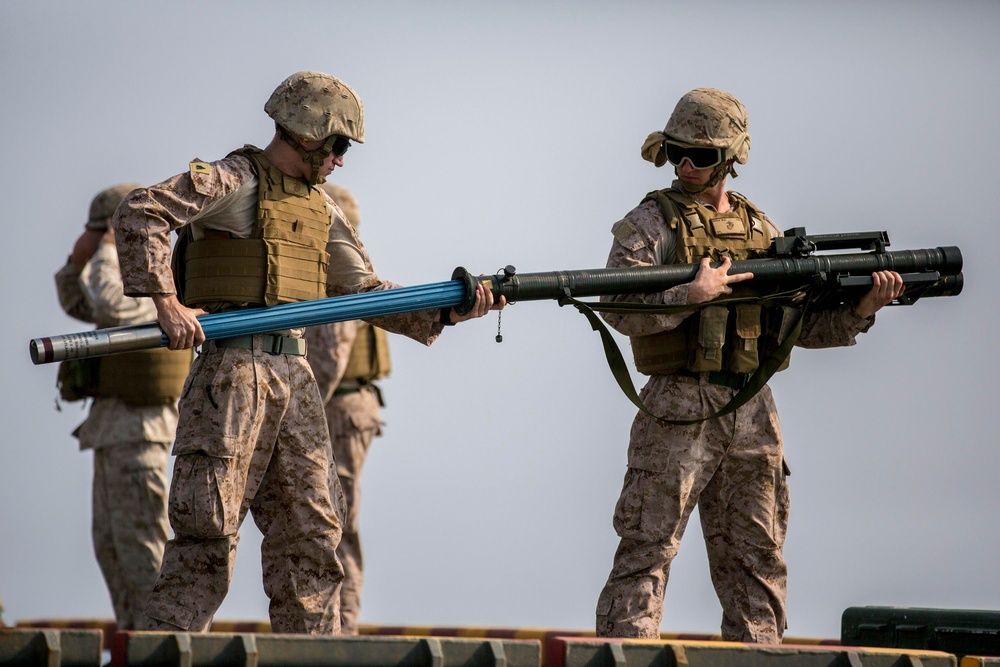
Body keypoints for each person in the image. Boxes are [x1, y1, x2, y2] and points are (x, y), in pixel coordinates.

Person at [113, 70, 502, 635]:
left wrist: (449, 310)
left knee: (314, 542)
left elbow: (365, 293)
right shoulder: (235, 179)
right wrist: (166, 301)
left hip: (294, 377)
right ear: (307, 133)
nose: (342, 160)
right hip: (232, 374)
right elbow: (142, 211)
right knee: (206, 541)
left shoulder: (322, 209)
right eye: (339, 145)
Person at [593, 88, 904, 644]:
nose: (686, 166)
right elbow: (618, 307)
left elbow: (797, 328)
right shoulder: (649, 224)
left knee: (758, 563)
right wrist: (690, 296)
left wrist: (862, 309)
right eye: (676, 152)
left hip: (752, 411)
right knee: (648, 550)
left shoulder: (761, 229)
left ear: (731, 159)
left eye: (702, 156)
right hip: (680, 407)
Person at [54, 184, 192, 630]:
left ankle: (161, 645)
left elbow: (111, 305)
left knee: (141, 550)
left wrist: (113, 245)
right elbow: (79, 302)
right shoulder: (117, 275)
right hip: (115, 428)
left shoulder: (159, 282)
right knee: (112, 548)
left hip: (141, 431)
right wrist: (78, 262)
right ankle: (137, 641)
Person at [303, 183, 387, 635]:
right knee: (329, 522)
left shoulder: (336, 273)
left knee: (335, 524)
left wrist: (292, 413)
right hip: (340, 407)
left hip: (335, 408)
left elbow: (330, 354)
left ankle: (342, 630)